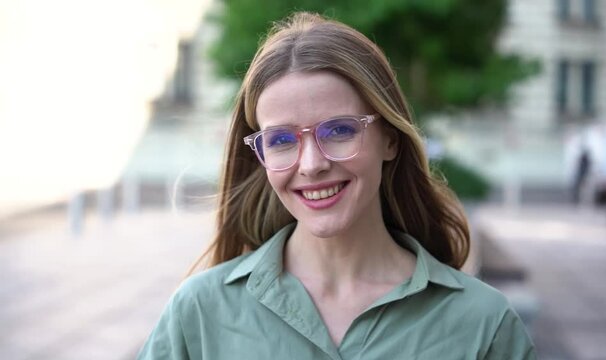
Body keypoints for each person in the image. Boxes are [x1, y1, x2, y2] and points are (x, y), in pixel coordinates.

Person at [138, 12, 535, 359]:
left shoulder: (484, 324)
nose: (311, 165)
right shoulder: (199, 313)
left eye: (340, 130)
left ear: (391, 139)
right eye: (280, 140)